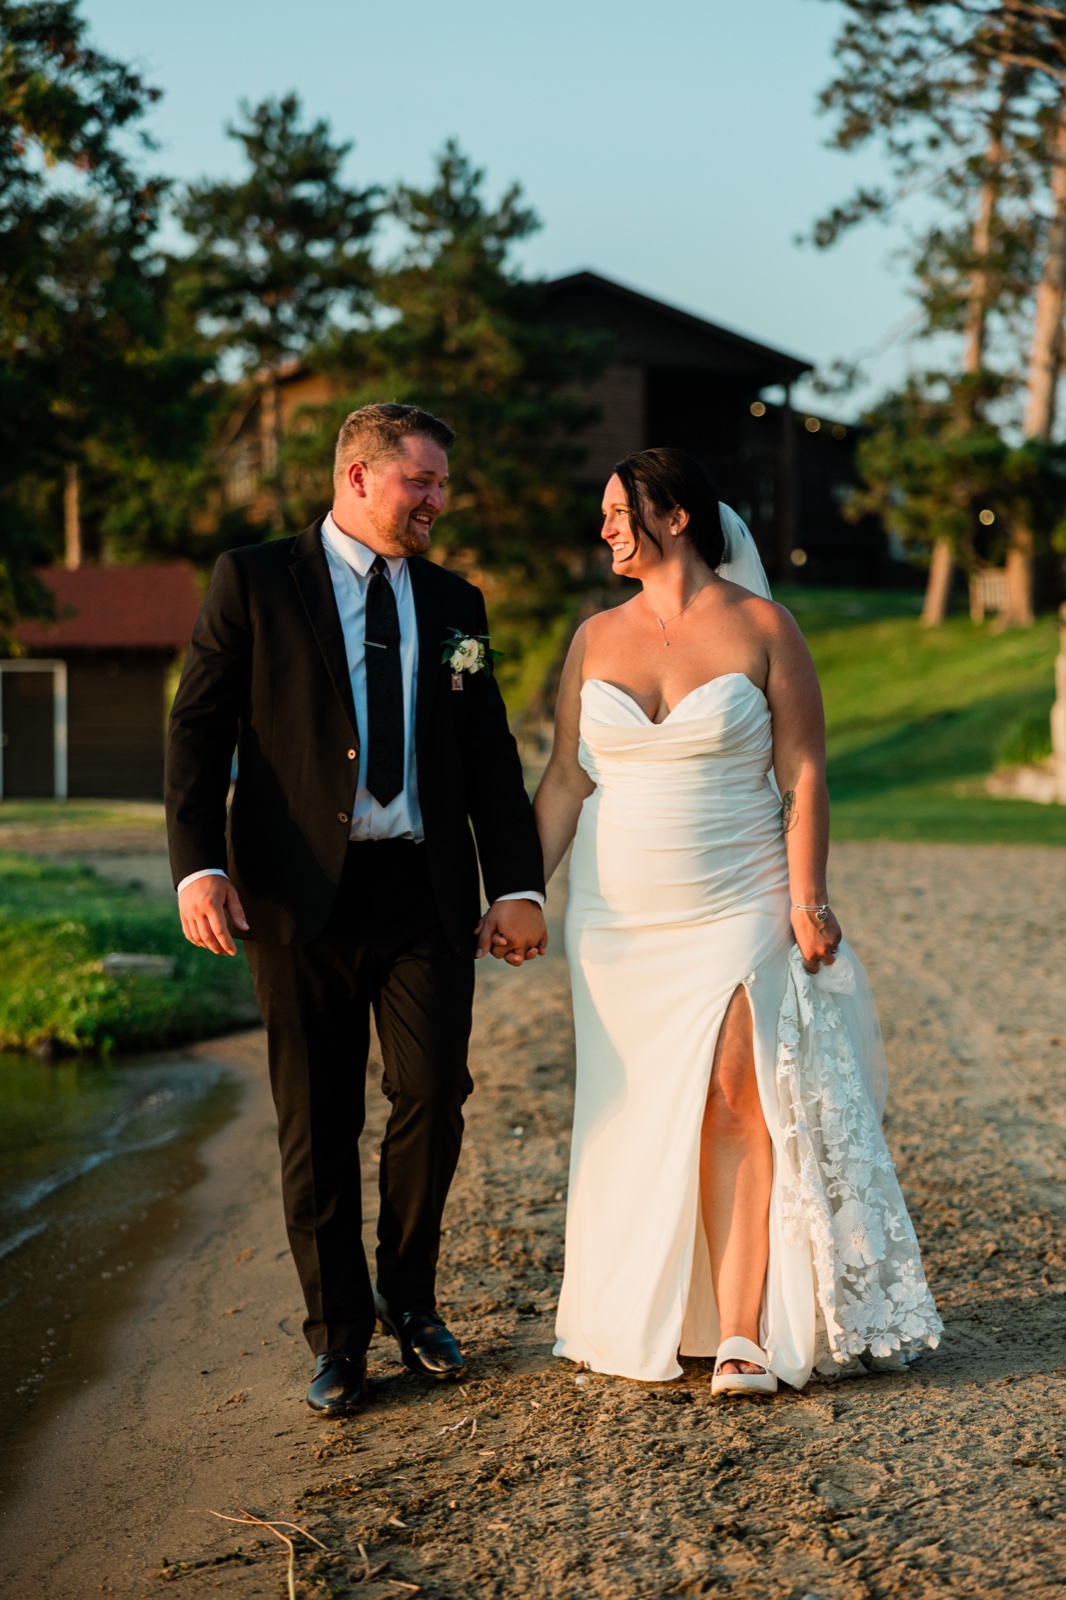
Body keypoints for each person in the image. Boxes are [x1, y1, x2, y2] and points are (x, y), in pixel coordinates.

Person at [165, 403, 547, 1417]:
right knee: (317, 1119)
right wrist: (197, 867)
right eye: (420, 481)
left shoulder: (456, 600)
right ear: (358, 477)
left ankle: (410, 1301)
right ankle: (339, 1339)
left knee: (432, 1093)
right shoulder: (253, 579)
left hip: (423, 891)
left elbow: (491, 758)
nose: (435, 501)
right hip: (294, 898)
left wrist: (516, 883)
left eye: (441, 486)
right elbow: (197, 732)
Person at [534, 447, 941, 1393]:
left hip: (738, 897)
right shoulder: (595, 637)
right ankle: (649, 1309)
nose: (604, 528)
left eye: (616, 511)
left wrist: (809, 900)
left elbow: (802, 771)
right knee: (633, 1108)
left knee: (735, 1093)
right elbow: (564, 777)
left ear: (674, 514)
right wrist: (512, 890)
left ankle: (743, 1332)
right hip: (617, 918)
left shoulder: (764, 625)